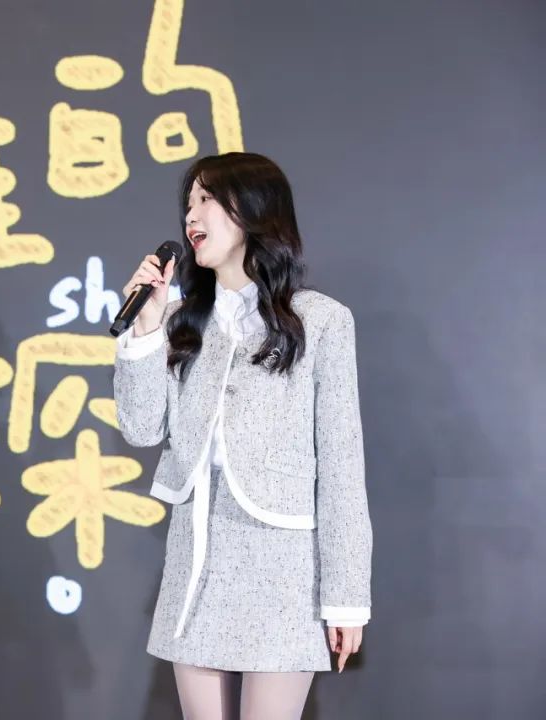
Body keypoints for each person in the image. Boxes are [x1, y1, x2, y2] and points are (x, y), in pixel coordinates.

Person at [113, 152, 372, 719]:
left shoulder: (320, 321)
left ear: (254, 210)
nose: (191, 215)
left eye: (206, 199)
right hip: (195, 561)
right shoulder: (181, 320)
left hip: (284, 568)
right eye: (188, 203)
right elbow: (140, 427)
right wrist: (147, 325)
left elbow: (342, 468)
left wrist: (346, 597)